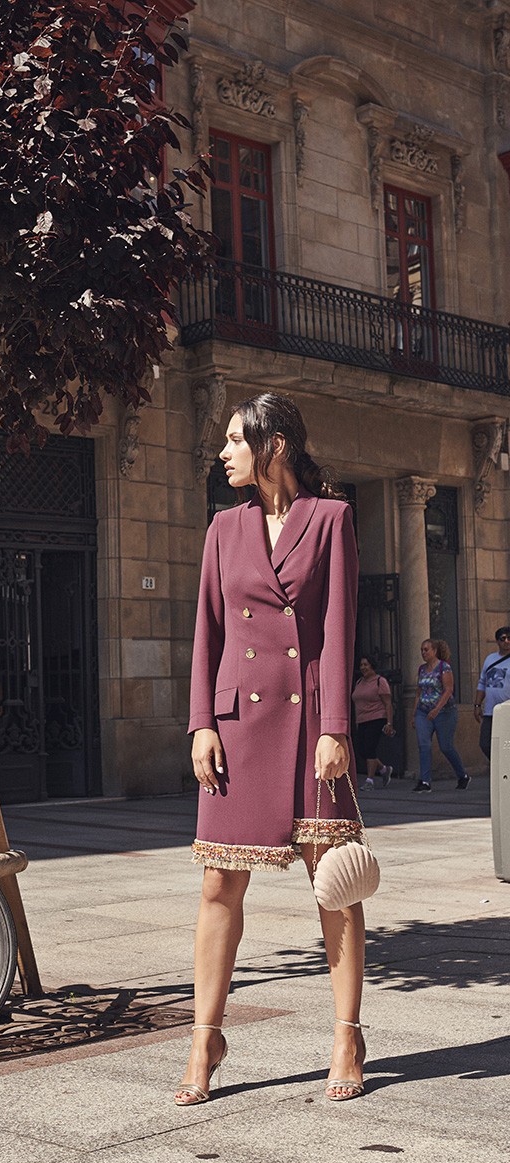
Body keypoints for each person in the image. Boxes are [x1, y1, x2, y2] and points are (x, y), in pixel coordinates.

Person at [177, 391, 367, 1108]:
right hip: (236, 729)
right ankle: (205, 1037)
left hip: (312, 723)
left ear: (274, 445)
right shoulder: (223, 529)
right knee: (219, 884)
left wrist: (335, 728)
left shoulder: (333, 519)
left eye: (235, 440)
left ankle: (346, 1034)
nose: (224, 452)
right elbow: (208, 632)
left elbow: (340, 630)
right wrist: (201, 722)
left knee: (335, 884)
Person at [412, 638, 469, 792]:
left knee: (446, 746)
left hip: (445, 712)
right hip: (423, 712)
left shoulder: (444, 668)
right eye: (422, 650)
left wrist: (437, 709)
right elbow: (418, 692)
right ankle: (425, 781)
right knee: (424, 745)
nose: (423, 653)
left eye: (426, 649)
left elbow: (448, 690)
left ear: (434, 651)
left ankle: (462, 775)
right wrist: (414, 714)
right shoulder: (422, 669)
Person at [352, 655, 394, 788]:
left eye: (366, 664)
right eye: (361, 665)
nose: (363, 667)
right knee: (362, 750)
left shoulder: (380, 681)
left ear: (372, 666)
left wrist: (389, 723)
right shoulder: (359, 682)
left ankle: (369, 780)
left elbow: (388, 703)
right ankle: (383, 769)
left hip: (376, 718)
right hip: (362, 720)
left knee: (370, 748)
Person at [473, 626, 510, 761]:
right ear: (497, 641)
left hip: (507, 711)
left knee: (506, 744)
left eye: (509, 638)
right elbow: (482, 682)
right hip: (490, 711)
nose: (506, 641)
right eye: (503, 638)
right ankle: (500, 767)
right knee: (485, 744)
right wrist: (477, 705)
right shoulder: (490, 659)